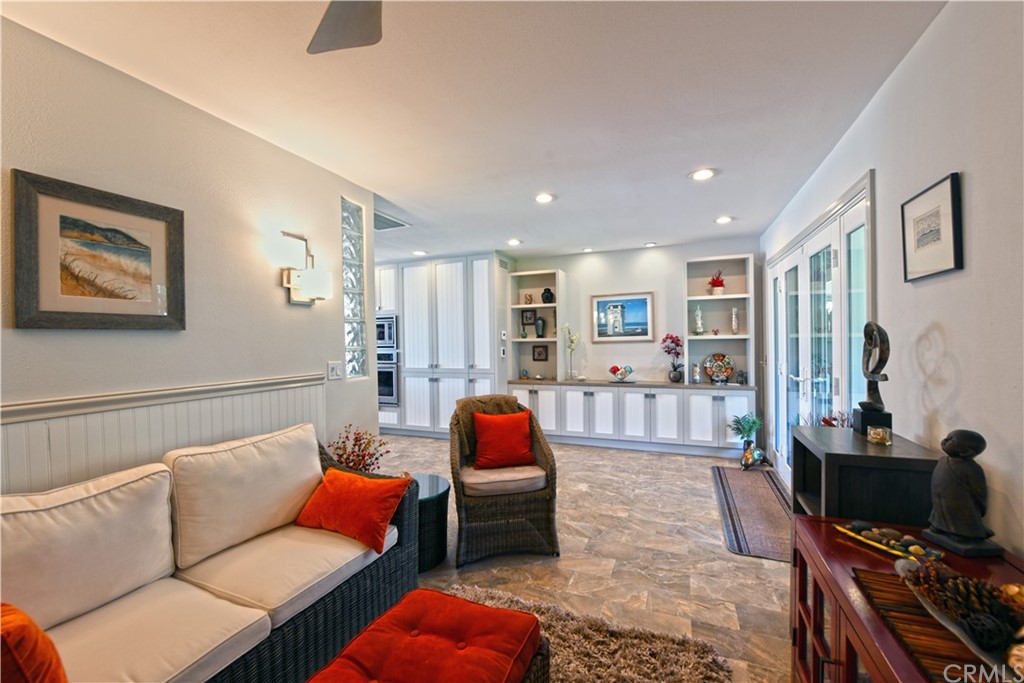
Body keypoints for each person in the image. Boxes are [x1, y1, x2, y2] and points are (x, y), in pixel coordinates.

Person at [927, 429, 992, 542]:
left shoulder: (972, 468)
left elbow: (979, 491)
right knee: (940, 511)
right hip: (940, 500)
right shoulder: (942, 460)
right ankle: (938, 526)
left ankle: (963, 533)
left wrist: (982, 506)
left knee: (960, 517)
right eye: (947, 437)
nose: (945, 440)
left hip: (960, 503)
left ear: (966, 452)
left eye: (951, 440)